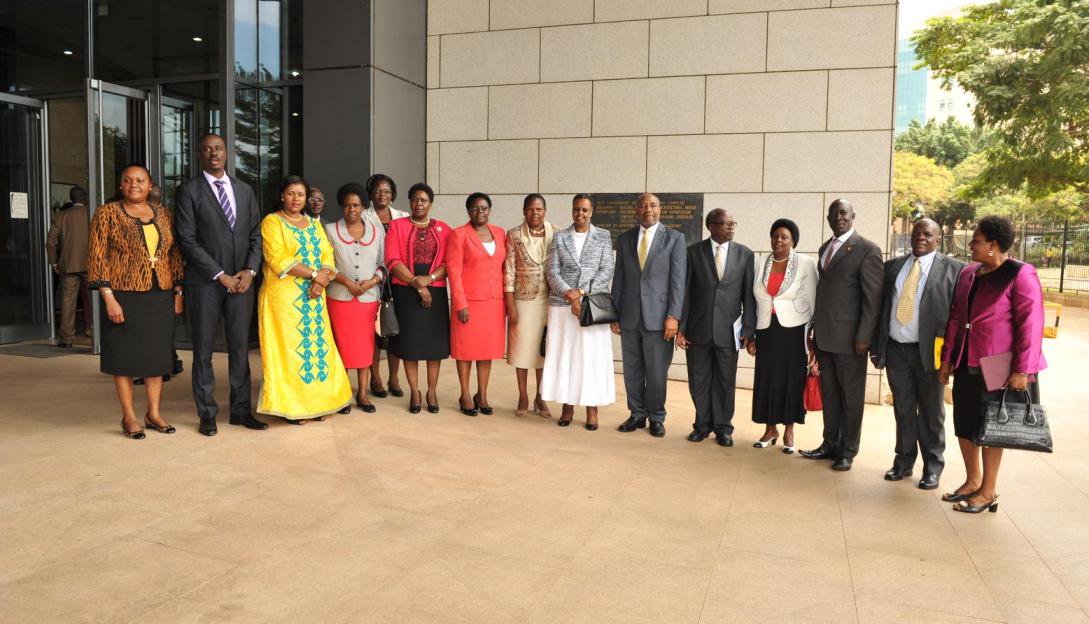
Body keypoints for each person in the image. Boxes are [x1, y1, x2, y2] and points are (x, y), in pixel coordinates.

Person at [938, 215, 1046, 514]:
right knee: (964, 422)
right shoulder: (968, 273)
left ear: (993, 245)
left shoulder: (1021, 274)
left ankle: (988, 491)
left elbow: (1031, 325)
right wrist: (947, 359)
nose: (971, 245)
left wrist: (1022, 369)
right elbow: (956, 318)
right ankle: (972, 481)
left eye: (976, 241)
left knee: (992, 428)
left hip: (1000, 365)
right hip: (966, 359)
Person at [174, 133, 267, 436]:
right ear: (199, 154)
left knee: (240, 348)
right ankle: (207, 413)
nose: (213, 153)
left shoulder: (244, 190)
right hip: (205, 284)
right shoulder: (189, 191)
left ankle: (240, 411)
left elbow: (255, 234)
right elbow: (187, 239)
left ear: (227, 153)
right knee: (203, 351)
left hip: (242, 283)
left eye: (219, 149)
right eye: (207, 149)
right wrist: (219, 274)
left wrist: (250, 271)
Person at [86, 165, 184, 439]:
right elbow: (96, 257)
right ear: (121, 185)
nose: (134, 185)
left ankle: (154, 414)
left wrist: (178, 292)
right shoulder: (107, 213)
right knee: (124, 357)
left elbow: (174, 254)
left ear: (150, 185)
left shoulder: (163, 213)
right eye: (127, 181)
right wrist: (108, 298)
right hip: (122, 295)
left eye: (140, 180)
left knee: (157, 356)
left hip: (160, 294)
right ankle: (129, 417)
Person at [872, 219, 965, 490]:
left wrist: (951, 358)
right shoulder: (893, 267)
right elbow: (881, 308)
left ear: (938, 239)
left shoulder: (955, 269)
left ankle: (932, 467)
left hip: (930, 353)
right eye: (917, 233)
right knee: (902, 409)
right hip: (896, 349)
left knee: (931, 412)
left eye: (927, 234)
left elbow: (958, 317)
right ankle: (903, 461)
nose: (921, 237)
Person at [257, 176, 353, 422]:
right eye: (290, 193)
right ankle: (293, 408)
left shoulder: (313, 224)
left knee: (317, 350)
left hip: (314, 297)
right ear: (282, 196)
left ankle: (319, 404)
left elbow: (327, 255)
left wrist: (321, 281)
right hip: (284, 300)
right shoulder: (272, 222)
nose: (296, 199)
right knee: (290, 351)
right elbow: (277, 258)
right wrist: (314, 275)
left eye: (300, 194)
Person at [801, 199, 883, 471]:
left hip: (851, 341)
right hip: (825, 337)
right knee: (831, 395)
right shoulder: (825, 247)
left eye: (844, 213)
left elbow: (873, 299)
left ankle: (847, 451)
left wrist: (864, 336)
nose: (839, 217)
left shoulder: (867, 250)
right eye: (834, 214)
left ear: (853, 216)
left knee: (851, 399)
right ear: (828, 219)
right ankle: (829, 444)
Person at [676, 209, 754, 447]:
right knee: (698, 380)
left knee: (725, 381)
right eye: (725, 223)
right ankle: (702, 425)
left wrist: (748, 330)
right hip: (697, 330)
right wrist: (681, 328)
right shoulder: (692, 252)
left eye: (733, 223)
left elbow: (748, 296)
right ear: (710, 226)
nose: (731, 227)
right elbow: (685, 293)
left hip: (729, 332)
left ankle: (723, 428)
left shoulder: (745, 254)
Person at [612, 193, 687, 438]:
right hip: (630, 316)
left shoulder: (674, 239)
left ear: (660, 209)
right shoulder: (625, 239)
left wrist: (674, 316)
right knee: (632, 370)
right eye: (643, 205)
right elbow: (619, 278)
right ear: (637, 210)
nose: (648, 209)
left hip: (660, 318)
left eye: (653, 205)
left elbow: (678, 281)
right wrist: (615, 314)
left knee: (656, 372)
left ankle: (656, 417)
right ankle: (637, 414)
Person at [542, 194, 616, 429]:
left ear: (591, 211)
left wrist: (581, 293)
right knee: (566, 356)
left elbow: (607, 269)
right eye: (576, 209)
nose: (580, 214)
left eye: (584, 210)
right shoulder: (560, 236)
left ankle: (592, 408)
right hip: (562, 306)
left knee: (590, 357)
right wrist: (569, 294)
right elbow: (552, 270)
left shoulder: (603, 236)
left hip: (593, 306)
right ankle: (567, 406)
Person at [748, 219, 819, 453]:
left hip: (794, 330)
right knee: (767, 378)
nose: (779, 240)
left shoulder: (806, 263)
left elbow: (813, 299)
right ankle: (770, 429)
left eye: (784, 237)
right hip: (766, 330)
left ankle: (789, 430)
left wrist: (812, 337)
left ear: (793, 241)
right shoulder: (760, 263)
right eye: (775, 236)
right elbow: (754, 299)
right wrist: (751, 333)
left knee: (791, 379)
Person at [384, 182, 451, 413]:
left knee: (434, 345)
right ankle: (414, 391)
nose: (419, 203)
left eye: (423, 200)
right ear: (410, 202)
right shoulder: (397, 226)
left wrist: (429, 279)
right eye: (415, 199)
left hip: (436, 291)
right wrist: (417, 284)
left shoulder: (444, 228)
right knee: (410, 345)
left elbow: (448, 262)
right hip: (406, 292)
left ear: (430, 203)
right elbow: (392, 261)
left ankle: (431, 391)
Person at [325, 183, 387, 413]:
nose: (351, 209)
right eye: (347, 205)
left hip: (368, 299)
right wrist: (347, 282)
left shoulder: (377, 231)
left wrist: (371, 282)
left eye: (356, 205)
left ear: (363, 207)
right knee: (342, 346)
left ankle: (362, 394)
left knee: (365, 347)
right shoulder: (330, 230)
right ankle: (342, 395)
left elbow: (383, 264)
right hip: (340, 298)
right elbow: (326, 264)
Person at [446, 192, 507, 416]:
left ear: (489, 210)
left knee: (486, 351)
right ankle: (464, 394)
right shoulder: (459, 234)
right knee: (465, 350)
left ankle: (482, 394)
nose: (479, 212)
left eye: (483, 208)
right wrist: (459, 302)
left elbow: (504, 268)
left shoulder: (499, 233)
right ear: (468, 211)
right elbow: (454, 271)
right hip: (468, 303)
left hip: (494, 303)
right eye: (474, 208)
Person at [504, 194, 555, 418]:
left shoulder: (556, 232)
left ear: (545, 211)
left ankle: (540, 397)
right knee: (522, 349)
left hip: (550, 301)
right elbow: (509, 271)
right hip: (523, 301)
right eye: (530, 209)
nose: (535, 213)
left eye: (539, 209)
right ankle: (523, 396)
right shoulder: (514, 235)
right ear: (524, 211)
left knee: (544, 350)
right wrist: (510, 305)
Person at [362, 173, 408, 399]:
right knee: (374, 331)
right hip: (372, 278)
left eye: (387, 191)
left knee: (395, 328)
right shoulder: (362, 216)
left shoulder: (403, 216)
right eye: (378, 190)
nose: (383, 194)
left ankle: (394, 377)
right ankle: (375, 377)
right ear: (371, 193)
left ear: (393, 194)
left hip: (398, 279)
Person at [45, 187, 91, 348]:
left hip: (68, 264)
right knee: (94, 300)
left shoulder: (61, 215)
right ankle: (96, 332)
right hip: (91, 264)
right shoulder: (92, 213)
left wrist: (54, 262)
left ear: (71, 199)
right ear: (85, 198)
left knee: (68, 301)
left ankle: (66, 338)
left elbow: (50, 242)